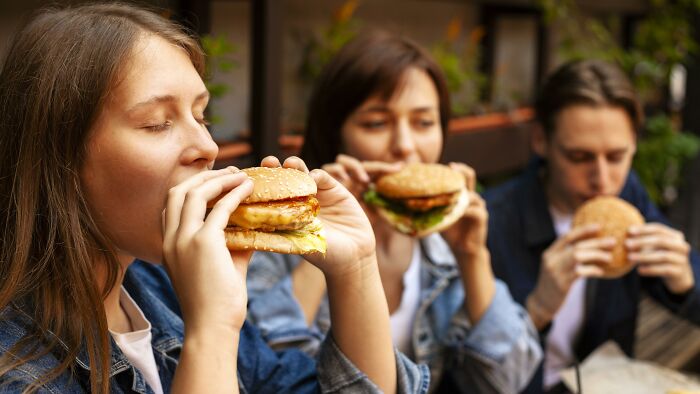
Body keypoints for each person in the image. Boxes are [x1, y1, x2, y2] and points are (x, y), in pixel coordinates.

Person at [0, 4, 429, 393]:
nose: (207, 146)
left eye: (201, 116)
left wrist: (355, 267)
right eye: (156, 123)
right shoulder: (18, 370)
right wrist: (212, 330)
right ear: (59, 158)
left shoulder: (163, 287)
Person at [246, 31, 542, 393]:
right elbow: (264, 372)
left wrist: (472, 256)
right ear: (335, 133)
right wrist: (322, 240)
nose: (405, 146)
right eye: (376, 123)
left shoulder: (446, 247)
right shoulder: (277, 238)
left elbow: (507, 381)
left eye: (424, 123)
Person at [484, 59, 700, 393]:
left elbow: (685, 280)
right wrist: (536, 311)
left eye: (616, 156)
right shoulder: (492, 224)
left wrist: (686, 281)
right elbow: (472, 376)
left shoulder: (627, 196)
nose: (602, 180)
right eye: (579, 157)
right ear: (541, 140)